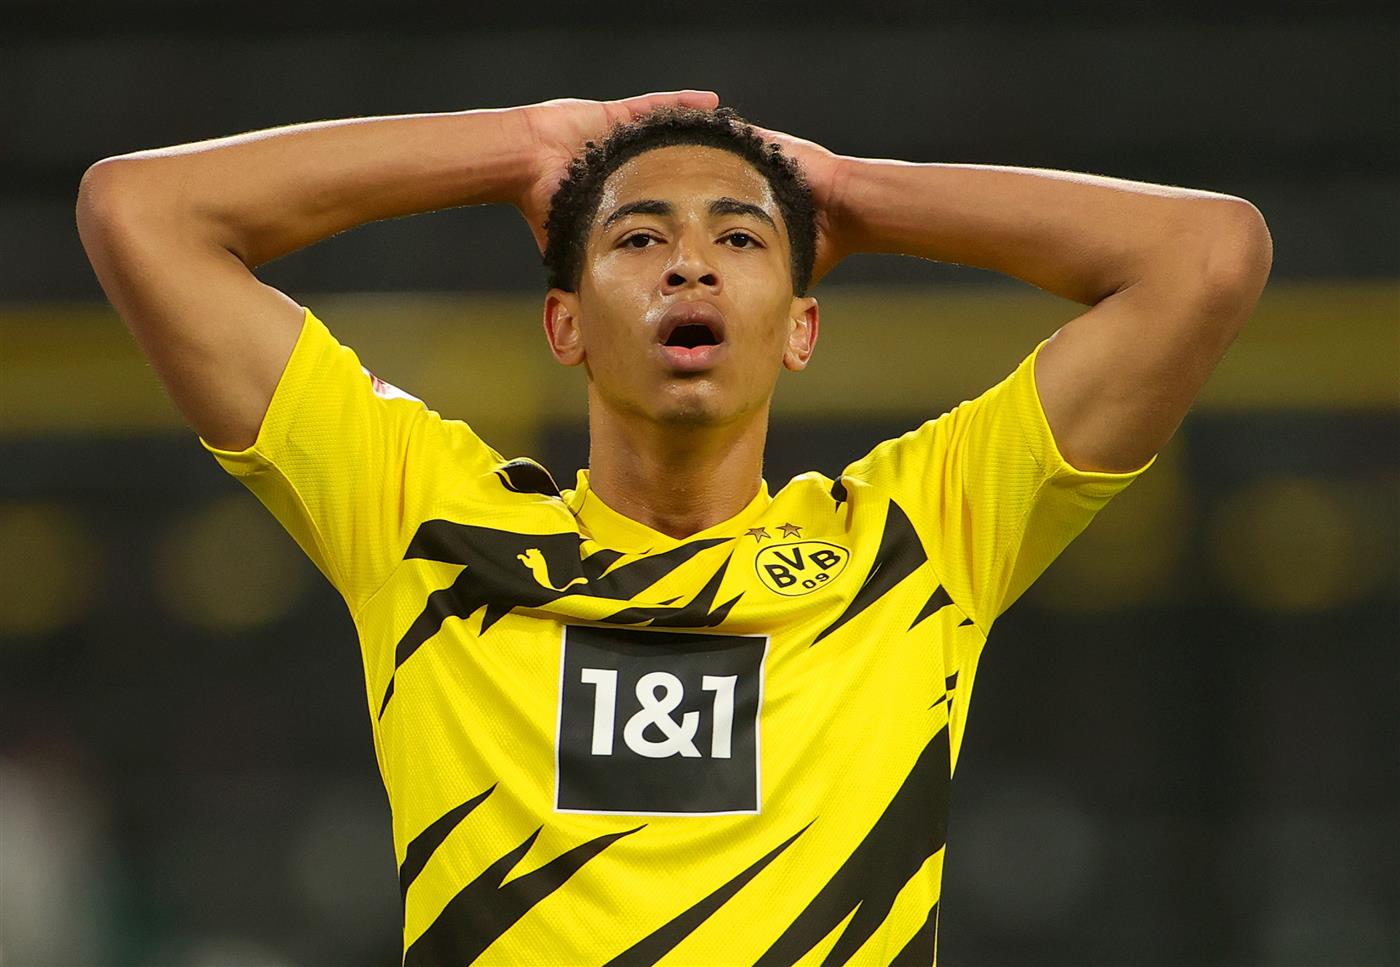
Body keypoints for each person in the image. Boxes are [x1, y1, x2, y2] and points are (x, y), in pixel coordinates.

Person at [76, 89, 1271, 964]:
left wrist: (847, 193)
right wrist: (519, 148)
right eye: (637, 237)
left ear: (800, 327)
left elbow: (1207, 253)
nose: (688, 266)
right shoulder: (422, 520)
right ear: (564, 325)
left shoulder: (920, 538)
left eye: (740, 240)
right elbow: (140, 209)